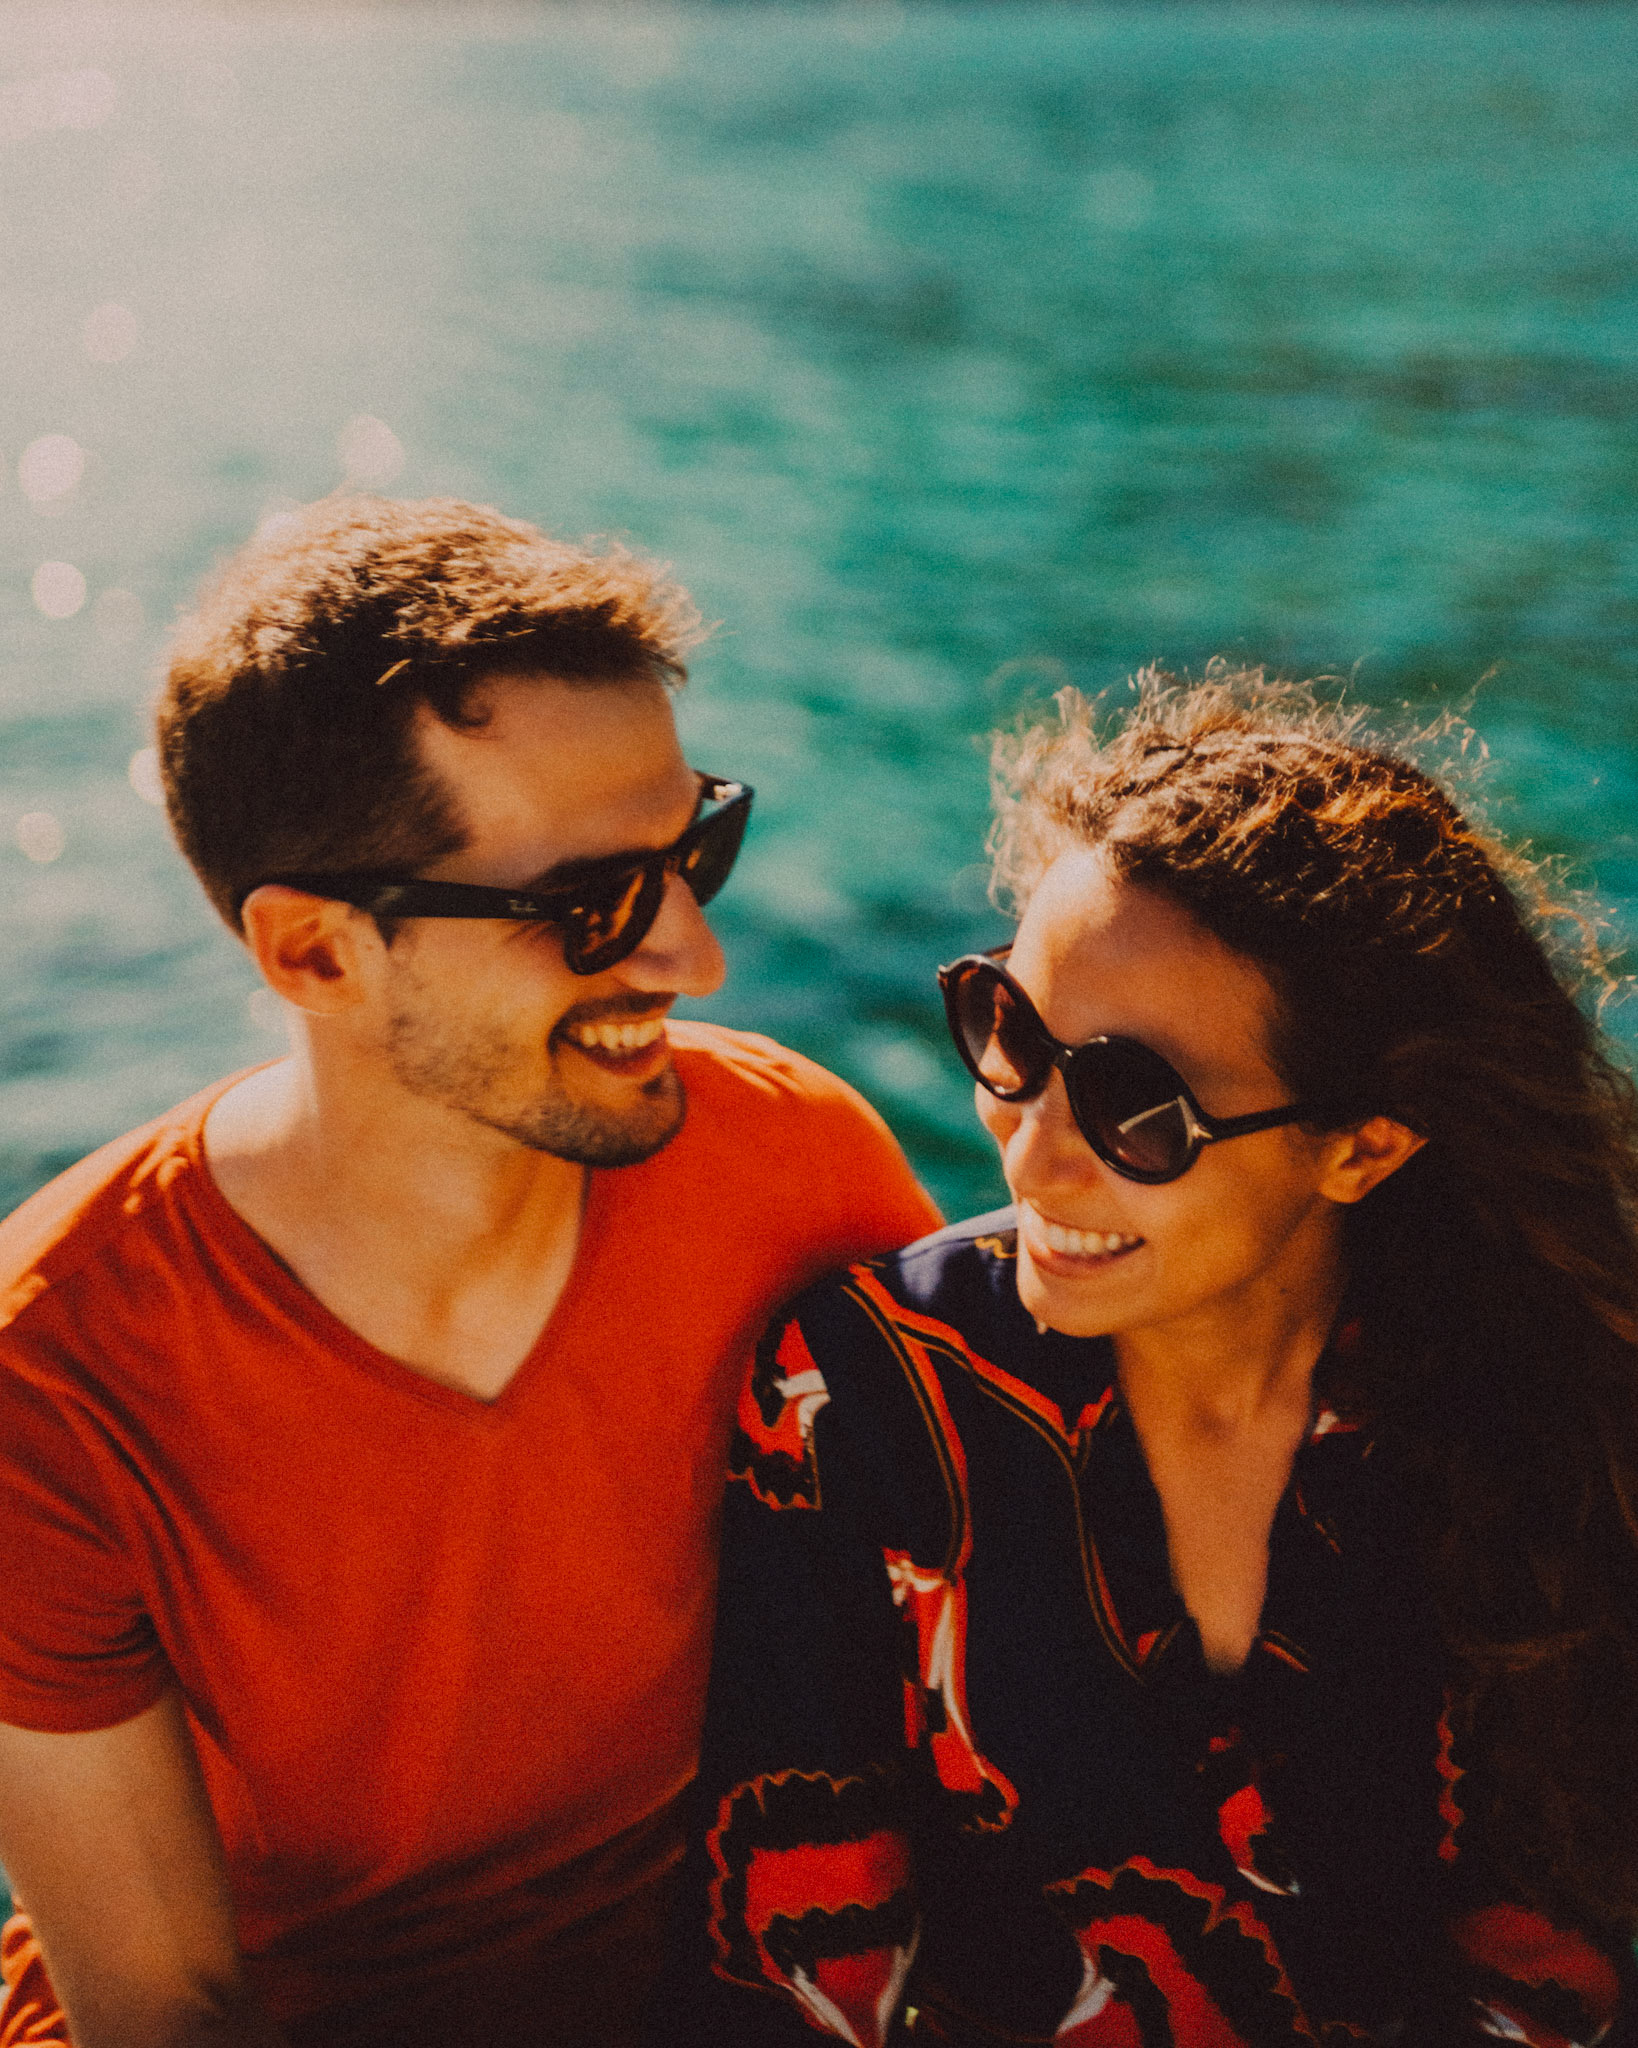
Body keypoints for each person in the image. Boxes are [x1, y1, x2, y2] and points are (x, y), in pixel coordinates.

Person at [0, 495, 939, 2048]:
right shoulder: (55, 1378)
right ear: (313, 954)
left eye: (694, 848)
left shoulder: (795, 1163)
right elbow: (168, 2007)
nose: (692, 958)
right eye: (589, 905)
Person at [669, 669, 1638, 2047]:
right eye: (1010, 1035)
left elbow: (1549, 1970)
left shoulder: (1551, 1424)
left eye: (1137, 1105)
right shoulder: (860, 1396)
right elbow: (791, 1969)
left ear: (1364, 1143)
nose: (1030, 1150)